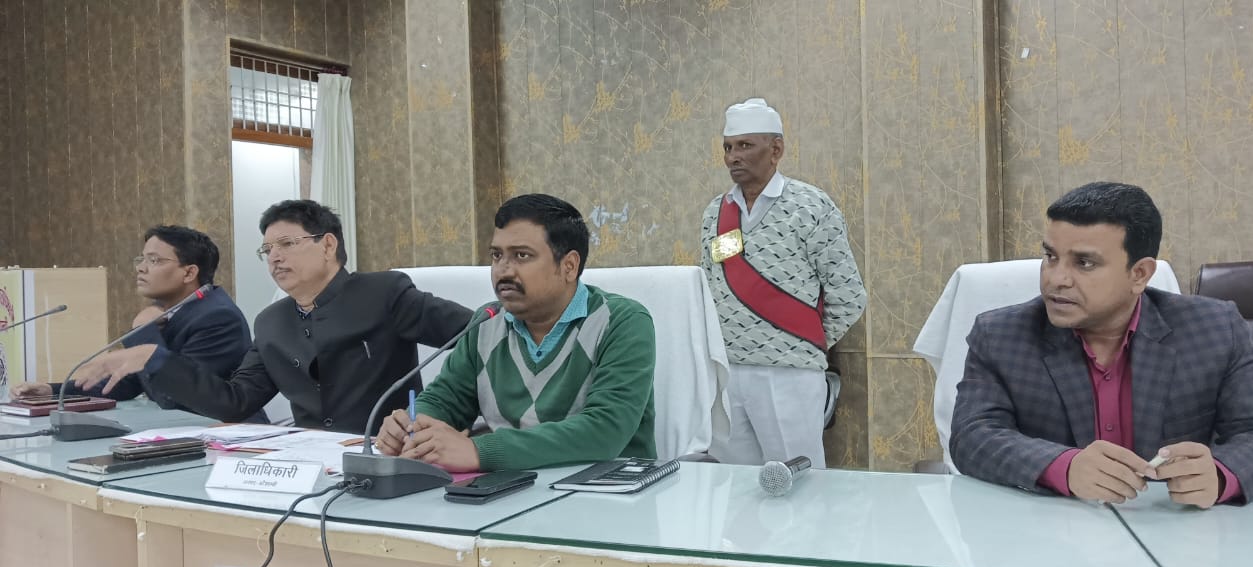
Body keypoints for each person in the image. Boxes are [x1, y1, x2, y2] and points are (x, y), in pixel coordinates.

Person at [951, 182, 1253, 507]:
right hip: (1048, 529)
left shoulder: (1214, 329)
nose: (1056, 279)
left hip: (1171, 526)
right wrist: (1063, 467)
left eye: (1084, 263)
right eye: (1050, 257)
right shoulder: (1001, 335)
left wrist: (1220, 475)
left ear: (1139, 274)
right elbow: (972, 437)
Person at [71, 200, 473, 433]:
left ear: (327, 245)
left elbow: (478, 333)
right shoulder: (271, 322)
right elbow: (234, 402)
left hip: (389, 454)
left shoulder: (383, 293)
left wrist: (454, 416)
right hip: (311, 465)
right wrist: (154, 358)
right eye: (267, 249)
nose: (275, 257)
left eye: (287, 244)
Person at [375, 194, 657, 472]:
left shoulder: (622, 321)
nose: (503, 270)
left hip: (608, 488)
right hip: (513, 487)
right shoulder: (486, 322)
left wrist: (480, 451)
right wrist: (413, 427)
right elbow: (444, 401)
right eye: (497, 255)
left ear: (569, 266)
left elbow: (605, 430)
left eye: (522, 256)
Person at [699, 98, 866, 468]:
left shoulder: (811, 206)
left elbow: (849, 295)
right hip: (726, 374)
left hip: (790, 375)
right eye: (728, 147)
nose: (733, 157)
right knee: (732, 485)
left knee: (797, 483)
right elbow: (709, 286)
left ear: (776, 150)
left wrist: (799, 342)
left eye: (745, 145)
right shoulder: (715, 212)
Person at [10, 226, 266, 422]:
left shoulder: (217, 317)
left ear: (189, 272)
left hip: (230, 440)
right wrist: (52, 391)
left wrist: (144, 330)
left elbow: (172, 397)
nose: (141, 269)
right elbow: (128, 382)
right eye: (141, 260)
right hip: (188, 431)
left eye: (154, 261)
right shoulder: (174, 311)